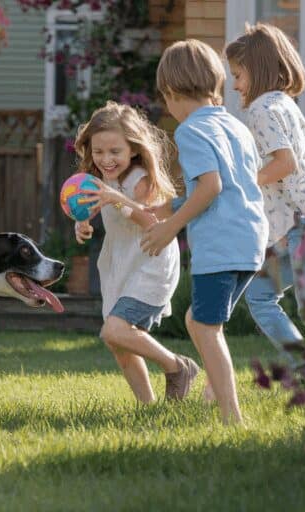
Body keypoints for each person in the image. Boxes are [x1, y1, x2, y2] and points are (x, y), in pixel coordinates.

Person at [141, 39, 268, 425]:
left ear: (172, 92)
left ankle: (232, 416)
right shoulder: (234, 126)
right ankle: (216, 392)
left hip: (220, 243)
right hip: (250, 241)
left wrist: (169, 228)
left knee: (205, 327)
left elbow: (211, 187)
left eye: (166, 99)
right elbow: (228, 185)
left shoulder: (191, 132)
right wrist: (171, 206)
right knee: (201, 320)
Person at [225, 23, 305, 367]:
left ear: (258, 70)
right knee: (262, 295)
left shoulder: (261, 110)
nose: (234, 84)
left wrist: (249, 182)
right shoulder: (285, 103)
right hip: (304, 218)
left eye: (238, 75)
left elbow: (286, 162)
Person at [73, 101, 200, 404]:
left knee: (113, 331)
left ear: (132, 149)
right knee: (120, 345)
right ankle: (148, 405)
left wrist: (116, 199)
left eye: (114, 152)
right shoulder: (102, 179)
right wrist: (82, 225)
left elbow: (151, 220)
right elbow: (88, 210)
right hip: (121, 264)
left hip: (150, 263)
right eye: (98, 152)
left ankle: (178, 367)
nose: (106, 159)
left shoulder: (139, 181)